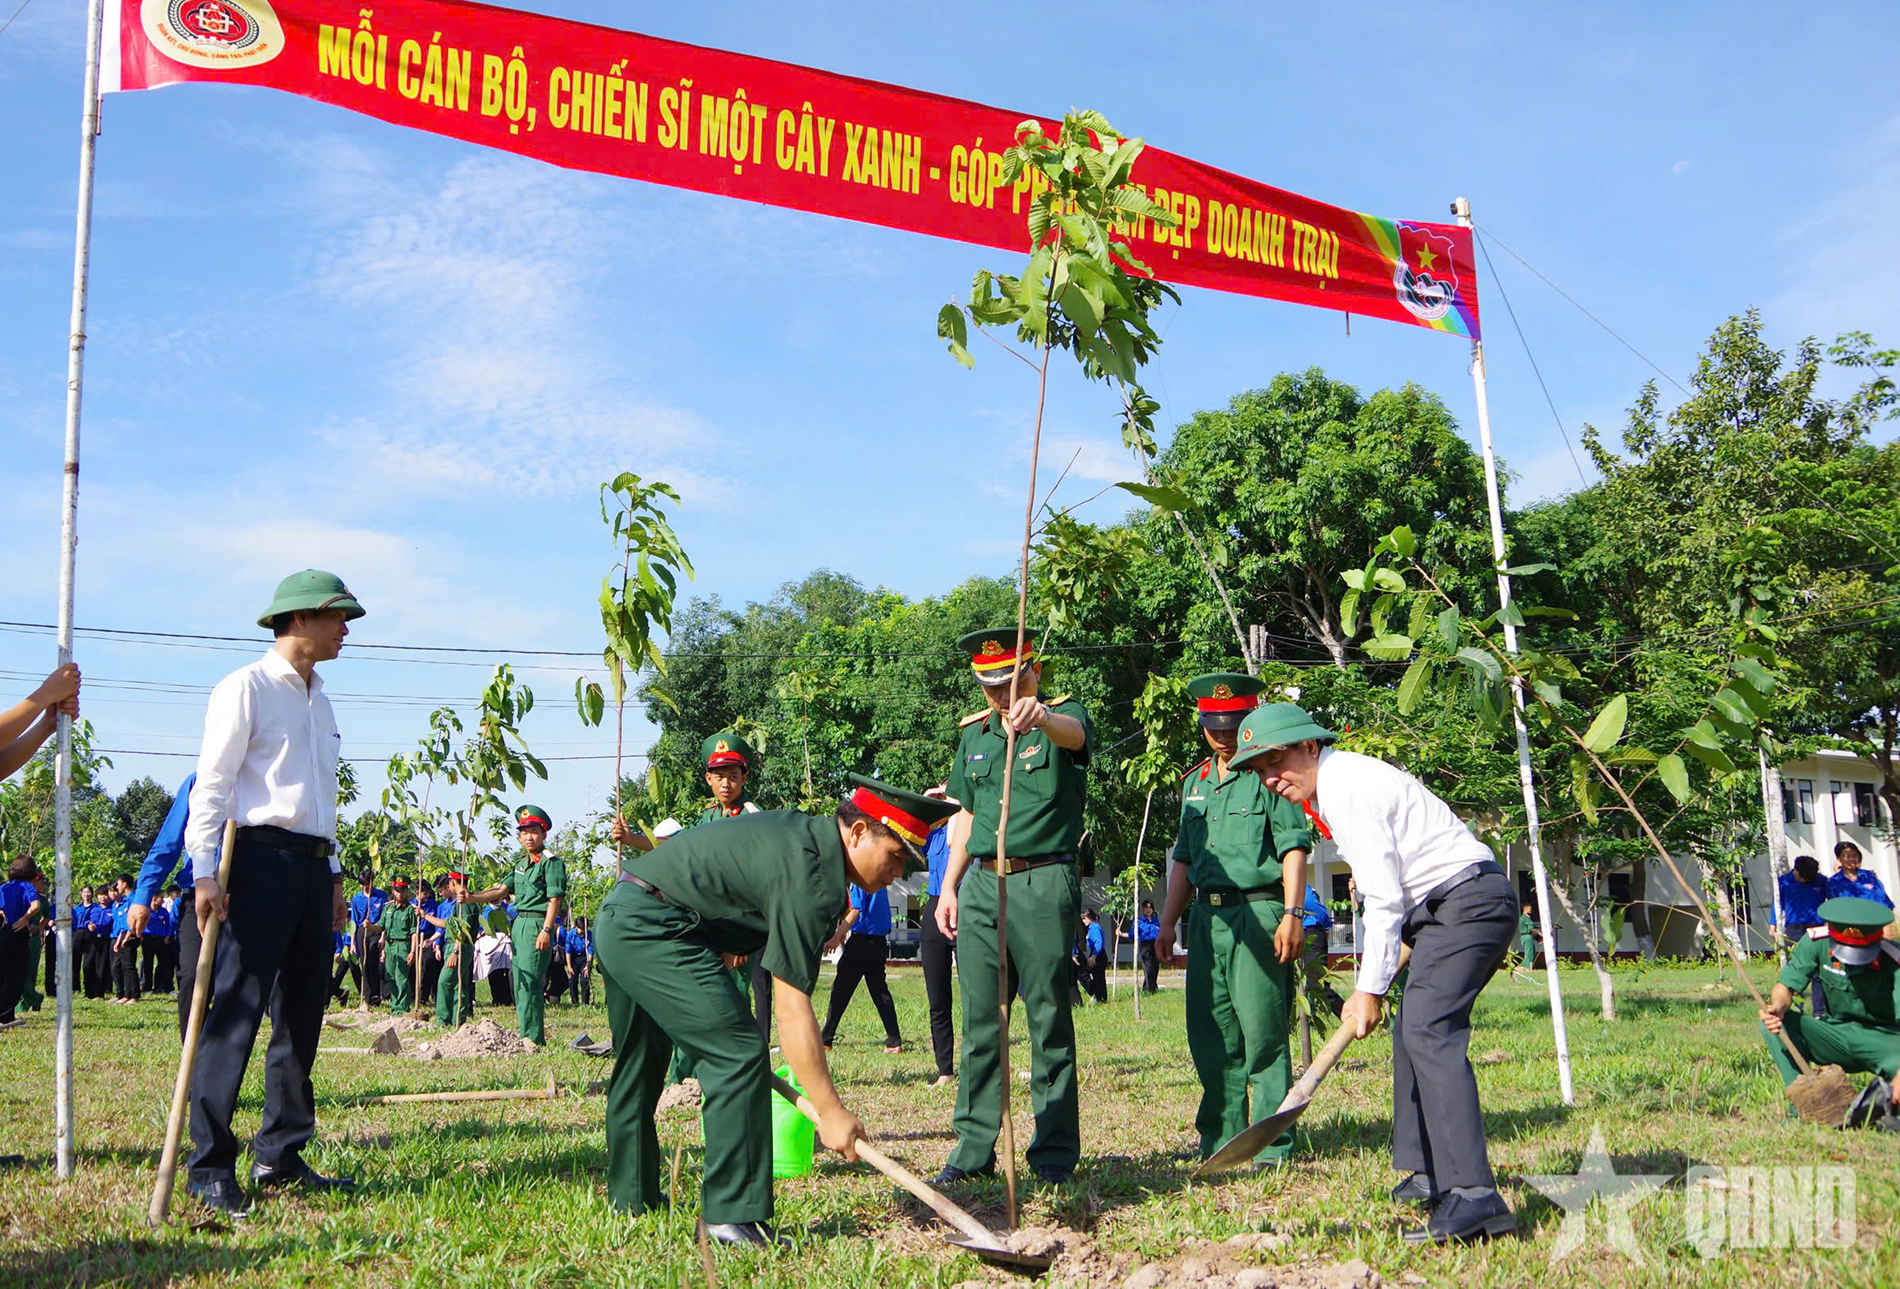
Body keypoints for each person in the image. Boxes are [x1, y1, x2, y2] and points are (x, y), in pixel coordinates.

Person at [595, 774, 954, 1246]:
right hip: (654, 928)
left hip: (624, 913)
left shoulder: (802, 842)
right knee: (739, 1050)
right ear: (859, 832)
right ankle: (732, 1216)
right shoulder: (813, 873)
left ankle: (632, 1197)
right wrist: (831, 1111)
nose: (899, 873)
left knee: (641, 1063)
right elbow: (791, 1006)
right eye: (895, 857)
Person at [1230, 703, 1517, 1244]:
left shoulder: (1347, 787)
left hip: (1470, 901)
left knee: (1430, 1030)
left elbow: (1383, 898)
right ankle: (1428, 1169)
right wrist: (1390, 964)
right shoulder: (1339, 784)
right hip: (1439, 908)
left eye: (1275, 760)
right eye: (1259, 770)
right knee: (1415, 1026)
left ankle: (1476, 1197)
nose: (1270, 778)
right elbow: (1402, 891)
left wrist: (1367, 989)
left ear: (1309, 746)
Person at [182, 569, 363, 1216]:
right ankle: (208, 1165)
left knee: (302, 1017)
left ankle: (280, 1152)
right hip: (255, 862)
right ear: (302, 618)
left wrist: (335, 872)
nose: (346, 630)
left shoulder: (322, 700)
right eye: (339, 617)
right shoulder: (246, 687)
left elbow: (323, 797)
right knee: (234, 1013)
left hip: (314, 869)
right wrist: (205, 871)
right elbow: (213, 785)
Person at [932, 628, 1091, 1189]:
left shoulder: (1061, 721)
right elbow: (965, 818)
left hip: (1042, 881)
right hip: (980, 884)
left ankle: (1052, 1152)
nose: (1001, 696)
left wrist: (1042, 718)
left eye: (1012, 682)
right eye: (990, 687)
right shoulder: (974, 737)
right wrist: (949, 887)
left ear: (1036, 672)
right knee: (981, 1021)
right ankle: (973, 1147)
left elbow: (1075, 739)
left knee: (1047, 1017)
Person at [1155, 673, 1313, 1170]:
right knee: (1211, 1034)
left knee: (1263, 1033)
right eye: (1214, 725)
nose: (1223, 736)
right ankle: (1221, 1143)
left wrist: (1292, 913)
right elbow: (1183, 859)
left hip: (1258, 913)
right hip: (1206, 919)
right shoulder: (1196, 784)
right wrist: (1166, 924)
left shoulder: (1267, 775)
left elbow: (1293, 846)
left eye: (1234, 724)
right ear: (1203, 724)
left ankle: (1270, 1148)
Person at [1760, 896, 1900, 1129]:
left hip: (1885, 1041)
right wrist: (1778, 1007)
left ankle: (1883, 1105)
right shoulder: (1817, 942)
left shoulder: (1894, 959)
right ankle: (1805, 1107)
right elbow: (1785, 987)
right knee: (1777, 1023)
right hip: (1835, 1035)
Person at [689, 734, 774, 1040]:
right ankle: (688, 1079)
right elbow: (678, 851)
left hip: (735, 924)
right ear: (708, 779)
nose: (726, 784)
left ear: (744, 779)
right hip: (705, 922)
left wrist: (741, 939)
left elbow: (756, 881)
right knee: (702, 1000)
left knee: (734, 1000)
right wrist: (632, 840)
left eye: (733, 777)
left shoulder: (753, 818)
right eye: (719, 777)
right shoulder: (707, 817)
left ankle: (738, 1073)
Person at [464, 805, 566, 1045]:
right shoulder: (521, 864)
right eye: (524, 832)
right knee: (519, 980)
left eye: (534, 831)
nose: (529, 836)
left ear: (544, 835)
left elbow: (555, 899)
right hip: (518, 924)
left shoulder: (550, 863)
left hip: (537, 923)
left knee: (531, 980)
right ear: (519, 836)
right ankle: (525, 1034)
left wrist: (546, 930)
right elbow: (500, 889)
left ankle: (533, 1038)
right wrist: (473, 897)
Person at [819, 881, 904, 1052]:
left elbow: (856, 909)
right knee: (880, 992)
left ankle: (825, 1040)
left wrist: (837, 935)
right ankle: (894, 1040)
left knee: (840, 991)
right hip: (879, 943)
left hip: (861, 943)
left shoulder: (862, 880)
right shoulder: (879, 881)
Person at [917, 785, 959, 1085]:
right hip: (934, 908)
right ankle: (945, 1070)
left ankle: (982, 1064)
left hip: (965, 904)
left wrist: (959, 803)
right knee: (938, 997)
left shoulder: (969, 830)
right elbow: (906, 837)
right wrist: (926, 805)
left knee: (977, 997)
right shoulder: (934, 833)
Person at [0, 858, 44, 1028]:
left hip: (3, 933)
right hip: (18, 936)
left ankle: (8, 1017)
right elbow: (35, 905)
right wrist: (25, 918)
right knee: (16, 978)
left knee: (3, 976)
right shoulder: (27, 887)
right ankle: (3, 1015)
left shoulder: (4, 887)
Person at [434, 871, 479, 1025]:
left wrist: (455, 951)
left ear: (453, 883)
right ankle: (457, 1019)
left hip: (459, 947)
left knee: (444, 982)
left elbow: (462, 931)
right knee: (459, 984)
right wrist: (426, 916)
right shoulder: (460, 903)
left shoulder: (464, 904)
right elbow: (449, 925)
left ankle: (443, 1019)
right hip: (455, 945)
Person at [1301, 884, 1344, 1017]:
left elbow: (1318, 911)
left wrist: (1325, 927)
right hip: (1293, 935)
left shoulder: (1299, 886)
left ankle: (1349, 1016)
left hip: (1311, 934)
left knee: (1317, 985)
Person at [349, 872, 389, 1009]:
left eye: (369, 884)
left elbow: (384, 918)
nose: (368, 887)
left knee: (373, 959)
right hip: (361, 931)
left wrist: (383, 937)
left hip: (376, 929)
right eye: (365, 885)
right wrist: (352, 943)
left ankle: (376, 995)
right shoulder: (356, 899)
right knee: (364, 962)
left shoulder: (381, 896)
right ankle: (367, 996)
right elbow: (354, 921)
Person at [378, 879, 419, 1015]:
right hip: (390, 945)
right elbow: (381, 926)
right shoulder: (388, 908)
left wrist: (413, 951)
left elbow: (414, 933)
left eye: (402, 891)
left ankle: (402, 1007)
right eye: (397, 890)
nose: (399, 894)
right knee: (391, 976)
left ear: (407, 891)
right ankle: (394, 1006)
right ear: (392, 891)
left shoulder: (410, 909)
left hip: (403, 945)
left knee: (401, 977)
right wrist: (369, 926)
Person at [1828, 842, 1894, 911]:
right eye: (1847, 856)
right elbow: (1835, 909)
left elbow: (1884, 901)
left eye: (1854, 856)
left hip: (1874, 918)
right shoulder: (1833, 882)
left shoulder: (1869, 876)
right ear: (1839, 859)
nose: (1851, 859)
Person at [109, 877, 142, 1004]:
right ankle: (125, 994)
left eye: (118, 884)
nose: (117, 887)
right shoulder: (125, 900)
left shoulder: (133, 899)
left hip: (130, 936)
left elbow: (131, 921)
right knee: (122, 966)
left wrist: (126, 938)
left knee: (129, 966)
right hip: (122, 936)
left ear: (124, 884)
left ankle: (134, 995)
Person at [1076, 909, 1108, 1004]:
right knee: (1098, 977)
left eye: (1085, 919)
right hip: (1096, 953)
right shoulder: (1092, 928)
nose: (1083, 921)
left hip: (1098, 954)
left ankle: (1098, 996)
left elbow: (1099, 942)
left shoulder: (1094, 928)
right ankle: (1100, 996)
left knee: (1092, 975)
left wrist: (1094, 956)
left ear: (1090, 917)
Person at [565, 918, 593, 1007]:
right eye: (580, 929)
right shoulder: (571, 935)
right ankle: (574, 1002)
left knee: (585, 980)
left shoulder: (590, 935)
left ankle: (585, 1003)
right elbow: (568, 951)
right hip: (573, 958)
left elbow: (591, 951)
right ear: (576, 927)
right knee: (572, 980)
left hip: (585, 958)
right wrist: (569, 966)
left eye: (584, 929)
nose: (582, 932)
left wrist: (588, 965)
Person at [1134, 900, 1160, 993]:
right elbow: (1135, 931)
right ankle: (1150, 989)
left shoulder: (1155, 920)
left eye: (1150, 908)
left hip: (1155, 944)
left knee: (1155, 967)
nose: (1148, 910)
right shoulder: (1139, 920)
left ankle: (1149, 987)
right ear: (1143, 909)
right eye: (1146, 908)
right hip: (1145, 944)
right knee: (1148, 967)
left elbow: (1159, 931)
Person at [1516, 903, 1541, 975]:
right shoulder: (1525, 918)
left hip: (1525, 937)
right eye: (1530, 909)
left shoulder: (1523, 918)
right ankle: (1526, 967)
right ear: (1525, 908)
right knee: (1529, 953)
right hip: (1527, 937)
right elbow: (1530, 928)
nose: (1531, 910)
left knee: (1531, 952)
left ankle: (1524, 967)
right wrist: (1538, 932)